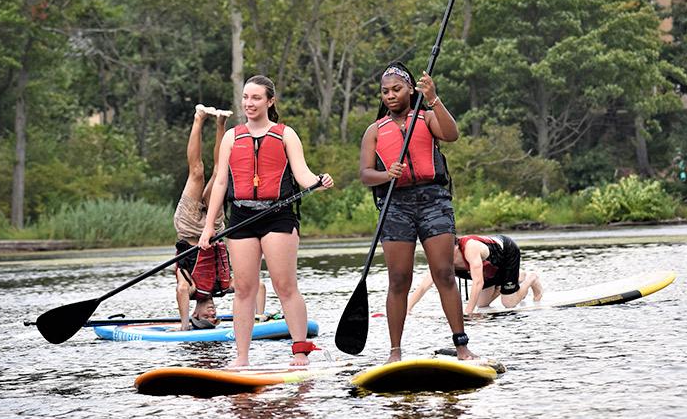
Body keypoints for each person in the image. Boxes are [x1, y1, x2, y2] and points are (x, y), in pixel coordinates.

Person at [198, 75, 333, 367]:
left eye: (256, 98)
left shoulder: (286, 134)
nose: (249, 103)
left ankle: (300, 351)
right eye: (246, 97)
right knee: (244, 288)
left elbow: (303, 175)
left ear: (270, 101)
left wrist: (318, 181)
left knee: (285, 285)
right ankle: (242, 357)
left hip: (278, 215)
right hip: (242, 216)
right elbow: (220, 183)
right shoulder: (233, 136)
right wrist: (209, 226)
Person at [359, 61, 475, 363]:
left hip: (433, 200)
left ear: (410, 89)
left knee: (444, 272)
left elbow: (453, 134)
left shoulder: (426, 118)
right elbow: (365, 174)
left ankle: (461, 346)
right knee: (398, 279)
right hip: (395, 206)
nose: (390, 96)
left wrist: (434, 98)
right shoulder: (374, 130)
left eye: (397, 89)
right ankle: (394, 352)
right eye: (385, 92)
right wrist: (387, 175)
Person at [173, 105, 266, 331]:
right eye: (214, 319)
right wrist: (259, 317)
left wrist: (184, 326)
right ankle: (221, 124)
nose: (212, 313)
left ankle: (199, 117)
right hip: (215, 226)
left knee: (196, 173)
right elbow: (259, 286)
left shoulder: (192, 289)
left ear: (195, 313)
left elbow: (181, 291)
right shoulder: (224, 287)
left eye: (206, 317)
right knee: (218, 172)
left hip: (188, 226)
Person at [407, 235, 544, 315]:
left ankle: (531, 278)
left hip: (506, 252)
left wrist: (468, 312)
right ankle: (515, 277)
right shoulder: (441, 260)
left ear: (456, 248)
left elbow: (478, 282)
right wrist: (407, 310)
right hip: (490, 269)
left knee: (508, 303)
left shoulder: (470, 248)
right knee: (482, 304)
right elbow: (423, 286)